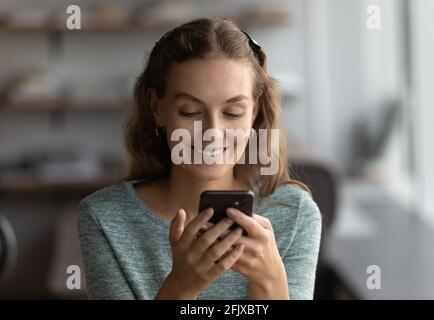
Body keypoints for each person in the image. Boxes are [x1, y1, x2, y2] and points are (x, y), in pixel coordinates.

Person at [78, 17, 322, 300]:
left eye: (232, 113)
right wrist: (180, 287)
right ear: (157, 108)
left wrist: (270, 282)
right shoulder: (105, 218)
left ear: (254, 112)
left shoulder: (295, 215)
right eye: (191, 112)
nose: (212, 133)